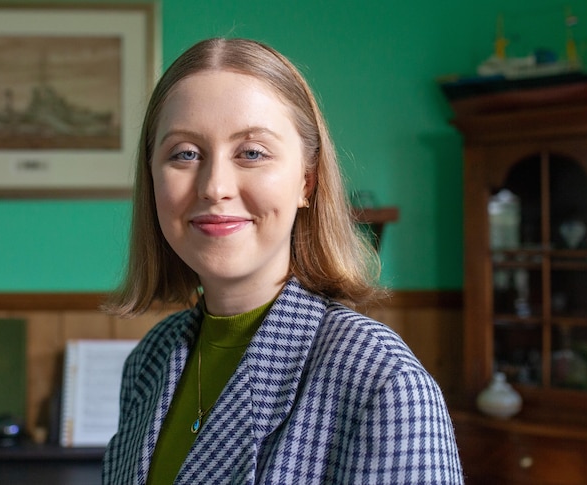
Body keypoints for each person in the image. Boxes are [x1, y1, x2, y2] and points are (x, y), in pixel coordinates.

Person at [102, 37, 463, 485]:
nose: (215, 187)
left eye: (252, 153)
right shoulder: (149, 361)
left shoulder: (382, 381)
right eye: (185, 154)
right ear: (152, 177)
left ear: (306, 183)